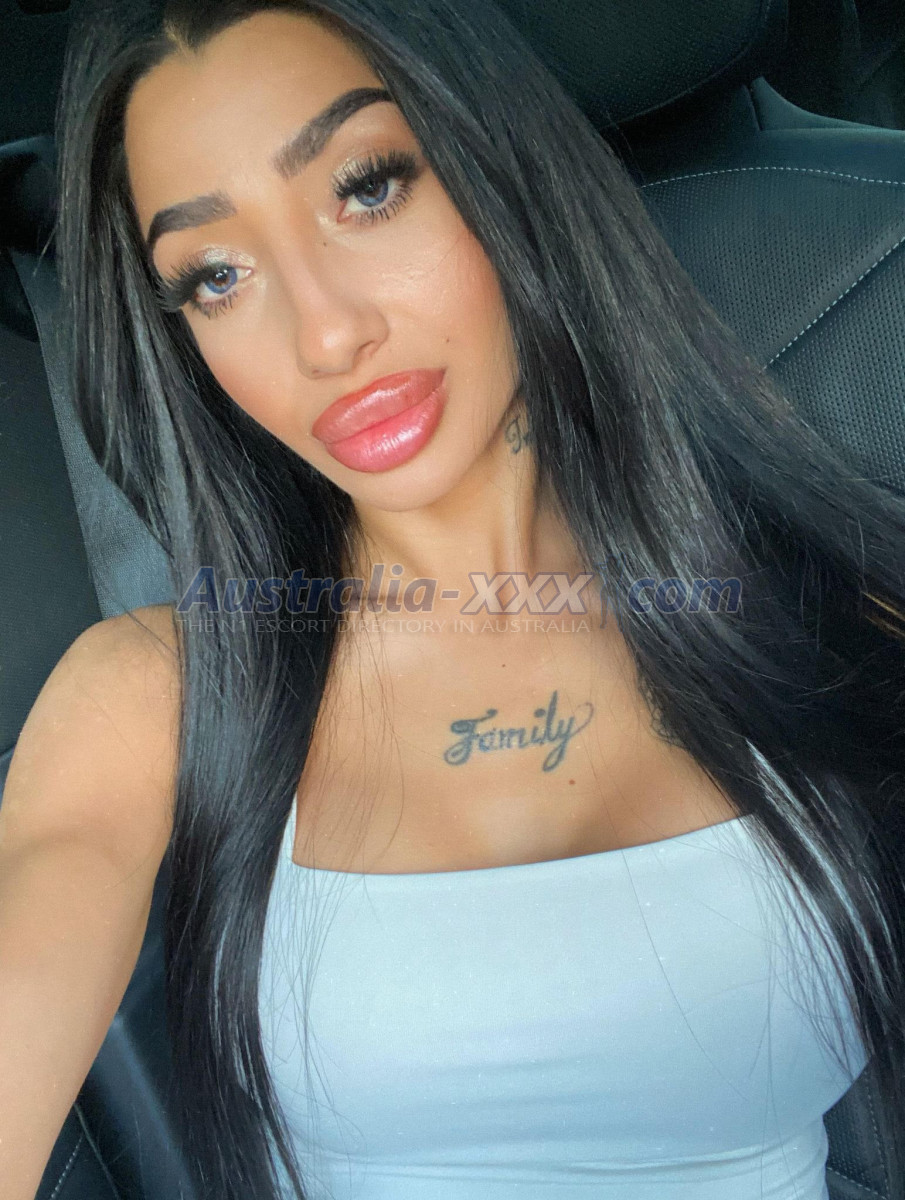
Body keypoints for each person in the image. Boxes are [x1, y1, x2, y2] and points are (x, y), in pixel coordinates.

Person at [3, 0, 905, 1197]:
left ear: (500, 166)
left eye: (367, 188)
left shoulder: (827, 604)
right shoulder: (156, 699)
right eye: (216, 276)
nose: (326, 334)